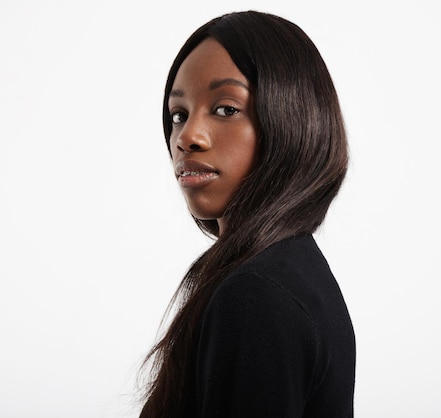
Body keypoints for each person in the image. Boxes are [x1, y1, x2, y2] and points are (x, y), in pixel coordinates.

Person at [139, 10, 355, 418]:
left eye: (225, 109)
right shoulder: (288, 271)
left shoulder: (259, 294)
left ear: (290, 120)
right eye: (178, 114)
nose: (187, 137)